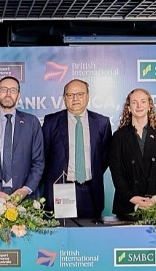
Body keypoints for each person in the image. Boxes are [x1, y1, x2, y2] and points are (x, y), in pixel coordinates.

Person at [42, 79, 112, 220]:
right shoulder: (51, 122)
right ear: (64, 98)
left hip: (90, 192)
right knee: (61, 233)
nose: (75, 99)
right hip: (61, 191)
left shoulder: (102, 122)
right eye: (70, 95)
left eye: (80, 94)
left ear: (88, 96)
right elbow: (44, 157)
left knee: (89, 232)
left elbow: (104, 158)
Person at [108, 88, 156, 221]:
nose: (139, 106)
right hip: (127, 206)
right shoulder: (119, 137)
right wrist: (131, 197)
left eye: (143, 101)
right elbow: (116, 171)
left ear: (149, 106)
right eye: (134, 102)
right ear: (129, 108)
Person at [0, 76, 44, 201]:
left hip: (25, 197)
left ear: (19, 95)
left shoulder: (32, 123)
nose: (8, 94)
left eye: (13, 90)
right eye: (4, 89)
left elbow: (39, 161)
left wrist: (25, 190)